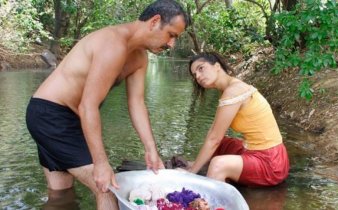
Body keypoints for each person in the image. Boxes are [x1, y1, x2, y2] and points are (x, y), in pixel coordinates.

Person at [25, 0, 189, 209]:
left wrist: (151, 150)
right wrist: (101, 164)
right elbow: (88, 106)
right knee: (107, 188)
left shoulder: (140, 57)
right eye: (172, 35)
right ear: (155, 21)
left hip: (67, 118)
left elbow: (136, 103)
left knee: (61, 195)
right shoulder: (113, 43)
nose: (171, 44)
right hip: (51, 115)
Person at [187, 52, 289, 187]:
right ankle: (200, 167)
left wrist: (190, 174)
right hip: (259, 151)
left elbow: (214, 139)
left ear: (217, 66)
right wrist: (195, 165)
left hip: (271, 163)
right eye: (195, 75)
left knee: (218, 164)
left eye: (201, 68)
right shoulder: (228, 89)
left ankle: (215, 203)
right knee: (222, 142)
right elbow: (214, 133)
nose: (198, 77)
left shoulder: (233, 91)